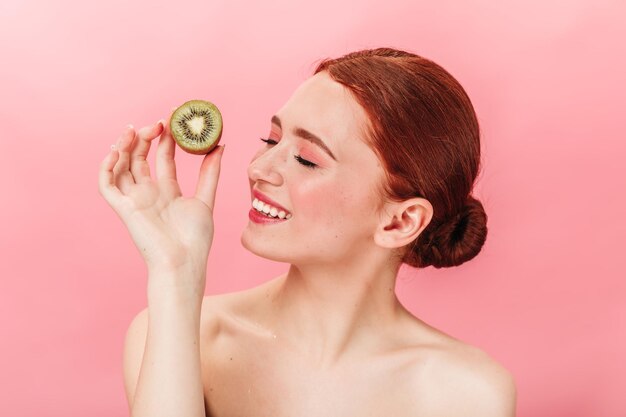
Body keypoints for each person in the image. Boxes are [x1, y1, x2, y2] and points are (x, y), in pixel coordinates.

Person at [99, 47, 517, 417]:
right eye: (271, 138)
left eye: (306, 160)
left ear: (399, 221)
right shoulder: (179, 335)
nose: (257, 168)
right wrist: (175, 275)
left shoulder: (466, 394)